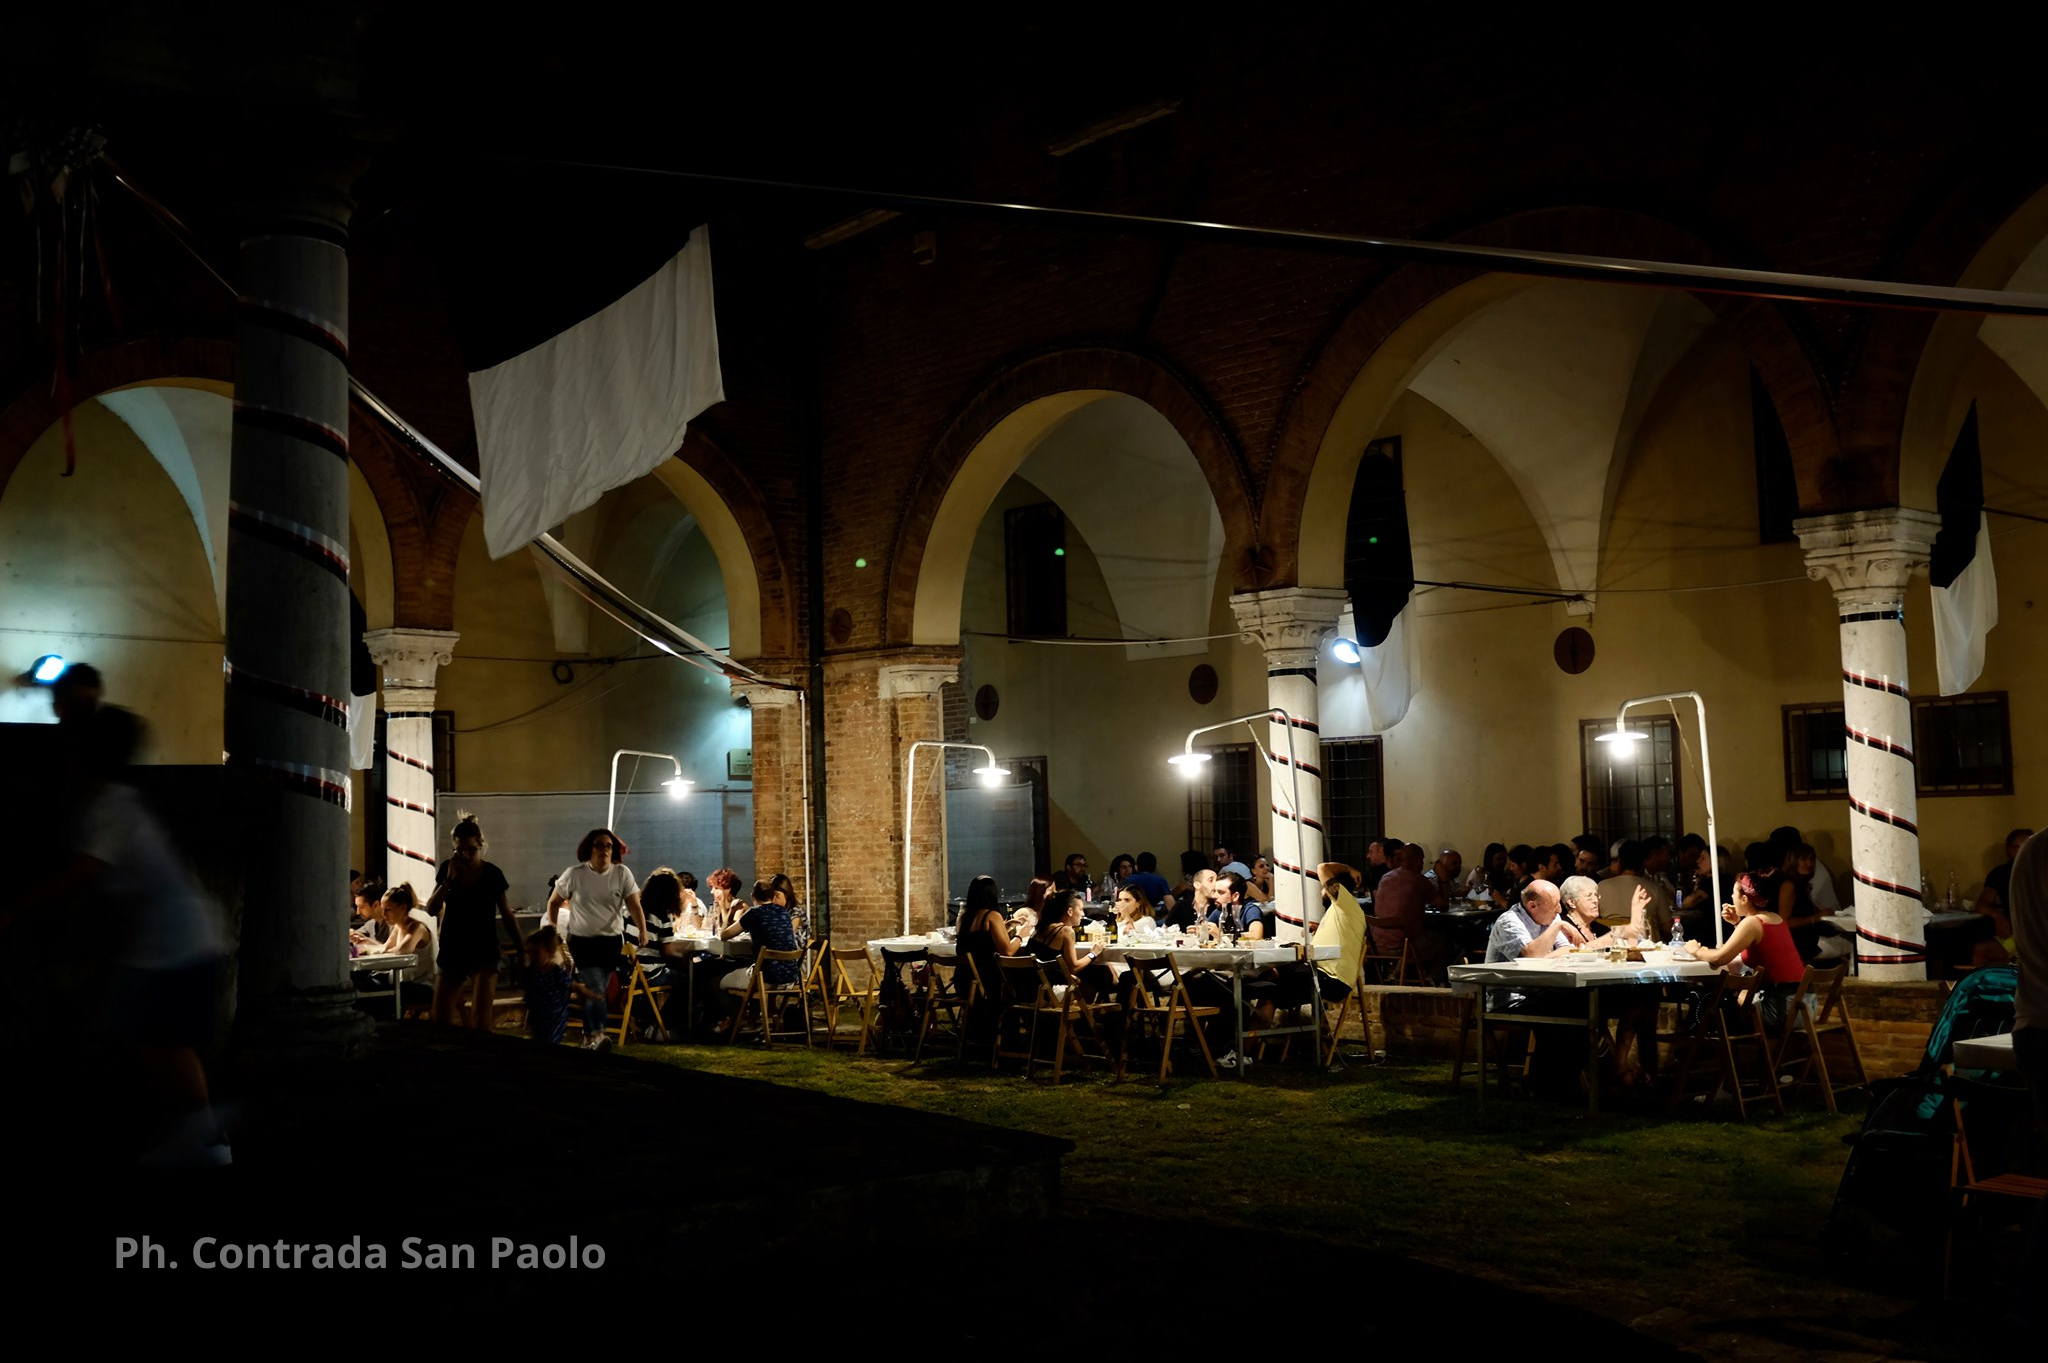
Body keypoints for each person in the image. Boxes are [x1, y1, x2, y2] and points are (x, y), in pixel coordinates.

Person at [5, 706, 230, 1165]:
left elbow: (82, 870)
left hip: (169, 941)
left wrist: (12, 911)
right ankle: (197, 1134)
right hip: (171, 937)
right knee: (156, 1041)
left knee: (159, 1042)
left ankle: (205, 1137)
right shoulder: (116, 802)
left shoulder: (107, 806)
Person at [545, 828, 646, 1052]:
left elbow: (634, 904)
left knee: (599, 989)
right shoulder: (574, 874)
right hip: (582, 940)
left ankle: (587, 1037)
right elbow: (553, 902)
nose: (605, 850)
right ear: (589, 848)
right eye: (599, 845)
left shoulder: (622, 874)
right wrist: (553, 930)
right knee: (596, 986)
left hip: (611, 941)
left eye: (609, 846)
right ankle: (598, 1034)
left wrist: (642, 929)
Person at [1482, 879, 1585, 1096]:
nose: (1559, 909)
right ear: (1532, 906)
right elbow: (1529, 956)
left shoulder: (1549, 916)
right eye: (1555, 904)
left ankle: (1556, 1082)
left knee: (1579, 1006)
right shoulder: (1509, 922)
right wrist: (1557, 927)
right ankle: (1545, 1085)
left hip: (1539, 991)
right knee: (1561, 1009)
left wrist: (1544, 950)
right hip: (1509, 998)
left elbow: (1568, 950)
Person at [428, 812, 522, 1031]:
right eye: (460, 850)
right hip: (453, 946)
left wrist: (521, 949)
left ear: (481, 845)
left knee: (482, 1018)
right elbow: (431, 909)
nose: (466, 855)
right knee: (440, 1016)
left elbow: (507, 914)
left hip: (483, 947)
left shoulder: (492, 874)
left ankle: (483, 1061)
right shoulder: (448, 870)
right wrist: (448, 881)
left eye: (471, 849)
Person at [1684, 871, 1806, 1033]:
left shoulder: (1752, 923)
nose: (1731, 897)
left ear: (1744, 899)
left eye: (1734, 892)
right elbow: (1755, 949)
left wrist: (1696, 950)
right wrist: (1736, 924)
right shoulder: (1775, 918)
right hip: (1803, 1006)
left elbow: (1719, 958)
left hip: (1780, 1009)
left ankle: (1699, 1051)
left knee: (1703, 999)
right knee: (1721, 1000)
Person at [715, 881, 801, 1031]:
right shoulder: (784, 913)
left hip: (765, 977)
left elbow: (724, 935)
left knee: (718, 982)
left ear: (753, 896)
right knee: (749, 970)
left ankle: (737, 1019)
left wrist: (727, 912)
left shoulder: (754, 913)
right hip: (790, 976)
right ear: (773, 896)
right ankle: (752, 1021)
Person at [955, 874, 1019, 1041]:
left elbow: (976, 939)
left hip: (963, 979)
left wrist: (1004, 927)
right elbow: (1008, 951)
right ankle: (1009, 1038)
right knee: (1020, 984)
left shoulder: (964, 917)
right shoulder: (992, 916)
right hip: (988, 981)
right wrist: (1020, 936)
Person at [1597, 840, 1675, 941]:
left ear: (1620, 862)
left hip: (1610, 945)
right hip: (1646, 949)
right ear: (1643, 863)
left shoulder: (1601, 886)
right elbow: (1668, 929)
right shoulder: (1654, 889)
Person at [377, 884, 436, 1010]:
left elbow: (403, 950)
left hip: (421, 986)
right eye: (382, 910)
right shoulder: (398, 926)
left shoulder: (417, 927)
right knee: (372, 984)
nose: (383, 915)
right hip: (405, 983)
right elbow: (385, 948)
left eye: (388, 910)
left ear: (403, 908)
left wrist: (385, 951)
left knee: (380, 993)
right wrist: (364, 941)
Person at [523, 925, 582, 1045]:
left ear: (549, 952)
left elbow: (572, 985)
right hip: (538, 1014)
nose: (531, 956)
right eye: (528, 952)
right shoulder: (532, 971)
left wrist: (587, 992)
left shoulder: (556, 972)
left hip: (554, 1016)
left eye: (535, 953)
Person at [1974, 827, 2035, 940]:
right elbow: (1982, 905)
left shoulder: (2042, 869)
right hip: (2017, 931)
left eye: (2028, 846)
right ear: (2009, 851)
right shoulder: (2001, 873)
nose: (2023, 851)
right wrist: (1998, 916)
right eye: (2017, 847)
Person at [349, 875, 388, 948]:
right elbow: (357, 933)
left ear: (376, 905)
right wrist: (351, 933)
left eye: (362, 907)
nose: (358, 912)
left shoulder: (393, 925)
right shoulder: (371, 924)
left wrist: (367, 940)